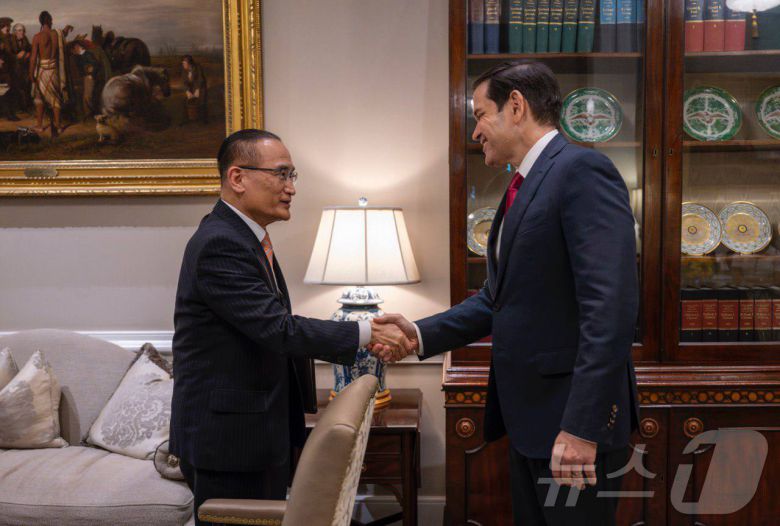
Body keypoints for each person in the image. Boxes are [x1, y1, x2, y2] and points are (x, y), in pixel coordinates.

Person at [374, 61, 640, 525]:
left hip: (571, 422)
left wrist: (582, 427)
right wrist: (418, 333)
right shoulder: (525, 183)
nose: (476, 131)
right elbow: (497, 298)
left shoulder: (581, 171)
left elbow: (610, 310)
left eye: (480, 115)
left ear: (516, 106)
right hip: (532, 422)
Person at [170, 129, 414, 524]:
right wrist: (369, 331)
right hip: (230, 442)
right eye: (281, 174)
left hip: (254, 433)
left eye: (292, 175)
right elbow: (279, 330)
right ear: (237, 178)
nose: (291, 188)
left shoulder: (247, 237)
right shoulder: (221, 244)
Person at [29, 11, 68, 135]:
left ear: (40, 22)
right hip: (54, 70)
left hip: (42, 71)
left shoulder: (37, 37)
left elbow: (33, 58)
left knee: (39, 98)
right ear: (50, 21)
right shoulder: (57, 34)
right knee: (55, 97)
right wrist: (67, 29)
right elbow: (64, 34)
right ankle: (58, 126)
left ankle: (39, 125)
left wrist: (31, 74)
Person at [71, 40, 101, 119]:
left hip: (89, 77)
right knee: (83, 96)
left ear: (79, 47)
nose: (73, 50)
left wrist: (91, 74)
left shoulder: (88, 54)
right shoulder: (78, 56)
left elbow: (95, 65)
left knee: (87, 96)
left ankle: (89, 114)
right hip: (83, 78)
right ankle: (87, 114)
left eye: (74, 48)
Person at [0, 17, 19, 121]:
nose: (8, 28)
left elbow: (15, 51)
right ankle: (8, 114)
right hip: (2, 69)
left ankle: (11, 113)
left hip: (11, 68)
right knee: (4, 90)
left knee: (11, 90)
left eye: (9, 26)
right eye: (6, 26)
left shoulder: (12, 37)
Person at [10, 23, 32, 112]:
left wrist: (28, 54)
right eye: (19, 30)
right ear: (15, 32)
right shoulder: (11, 41)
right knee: (17, 87)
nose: (22, 32)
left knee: (27, 85)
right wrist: (17, 56)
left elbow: (30, 49)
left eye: (23, 30)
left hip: (24, 68)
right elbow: (8, 55)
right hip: (13, 68)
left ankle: (26, 106)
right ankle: (19, 107)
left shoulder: (25, 39)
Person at [181, 54, 207, 124]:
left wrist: (197, 90)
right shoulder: (184, 70)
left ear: (189, 63)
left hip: (200, 86)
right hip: (190, 88)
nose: (183, 65)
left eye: (184, 63)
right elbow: (184, 82)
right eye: (183, 63)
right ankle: (185, 119)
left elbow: (201, 79)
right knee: (184, 99)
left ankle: (203, 119)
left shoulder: (198, 67)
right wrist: (187, 91)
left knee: (201, 99)